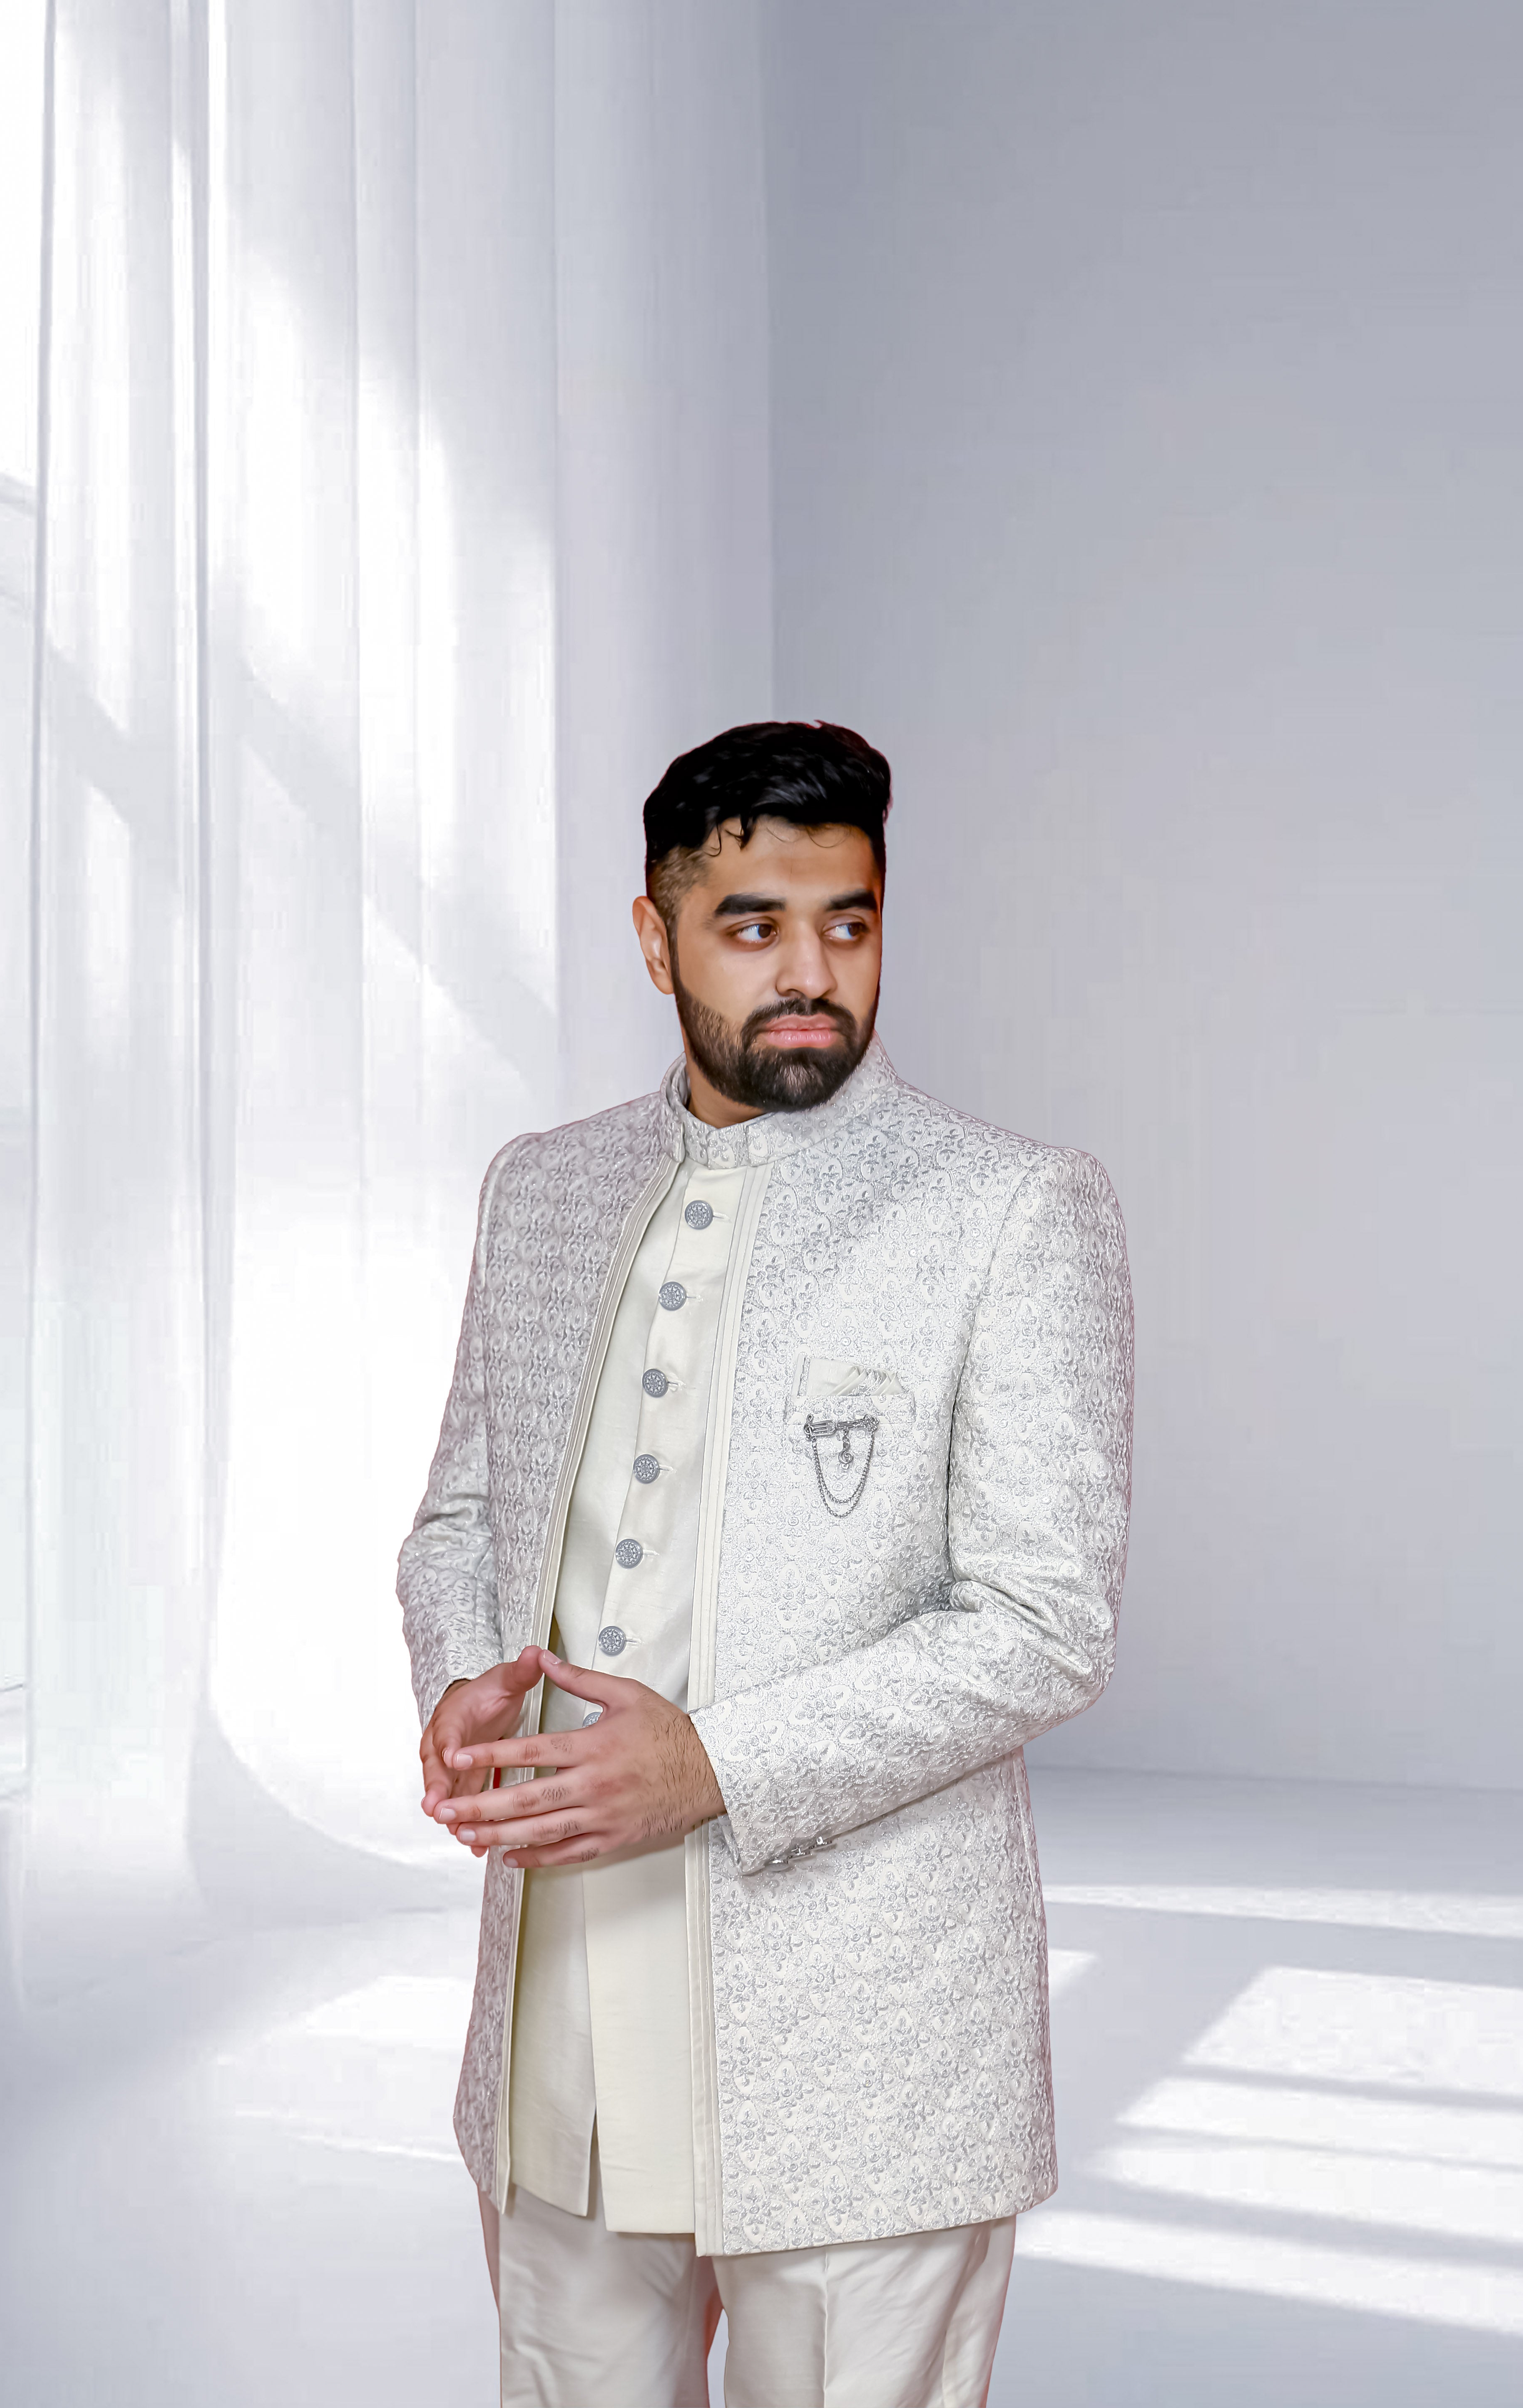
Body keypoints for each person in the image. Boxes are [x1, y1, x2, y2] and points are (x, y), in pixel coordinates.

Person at [398, 721, 1134, 2408]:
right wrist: (461, 1683)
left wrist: (712, 1766)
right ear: (654, 936)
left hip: (860, 2043)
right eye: (753, 925)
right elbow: (458, 1517)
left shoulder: (1011, 1208)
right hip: (558, 2017)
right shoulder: (546, 1189)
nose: (812, 973)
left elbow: (1042, 1623)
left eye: (849, 922)